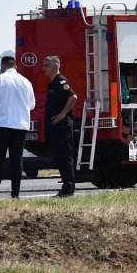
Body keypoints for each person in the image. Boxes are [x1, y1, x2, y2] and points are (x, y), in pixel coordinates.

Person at [0, 56, 35, 200]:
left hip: (2, 124)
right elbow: (31, 105)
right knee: (17, 159)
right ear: (16, 66)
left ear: (3, 66)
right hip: (20, 125)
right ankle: (15, 194)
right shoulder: (26, 82)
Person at [43, 56, 78, 197]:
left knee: (65, 157)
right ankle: (65, 188)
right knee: (60, 158)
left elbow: (73, 97)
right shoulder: (52, 83)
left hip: (63, 127)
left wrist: (63, 114)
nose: (44, 68)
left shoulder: (60, 81)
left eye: (47, 65)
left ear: (55, 67)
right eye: (44, 65)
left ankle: (68, 189)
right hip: (56, 129)